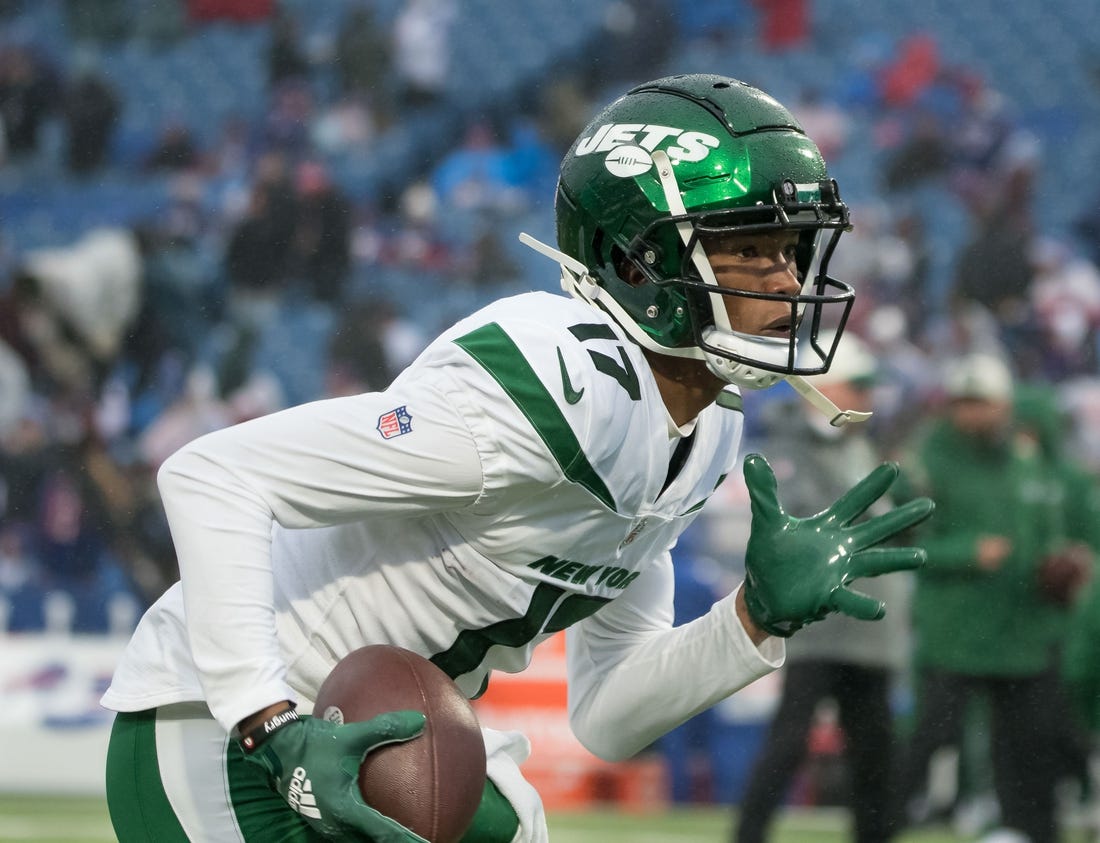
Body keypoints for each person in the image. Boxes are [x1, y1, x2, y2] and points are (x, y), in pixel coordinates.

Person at [100, 74, 933, 843]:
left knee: (520, 827)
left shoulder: (706, 431)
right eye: (751, 249)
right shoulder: (556, 382)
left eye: (790, 252)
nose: (788, 284)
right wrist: (267, 716)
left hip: (386, 734)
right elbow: (212, 473)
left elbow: (608, 713)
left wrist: (750, 618)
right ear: (637, 259)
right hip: (229, 731)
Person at [733, 330, 909, 843]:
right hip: (814, 623)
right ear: (825, 387)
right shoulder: (785, 447)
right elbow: (799, 527)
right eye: (857, 385)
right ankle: (747, 835)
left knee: (875, 754)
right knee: (788, 744)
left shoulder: (862, 445)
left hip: (869, 629)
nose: (867, 397)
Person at [895, 353, 1071, 843]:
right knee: (929, 740)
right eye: (965, 402)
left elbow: (1046, 534)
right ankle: (878, 829)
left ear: (1005, 404)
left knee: (1031, 750)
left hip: (1022, 630)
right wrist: (967, 552)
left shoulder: (1026, 457)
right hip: (955, 630)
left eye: (984, 403)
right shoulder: (927, 459)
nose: (974, 414)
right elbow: (902, 546)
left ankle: (1038, 833)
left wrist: (1058, 563)